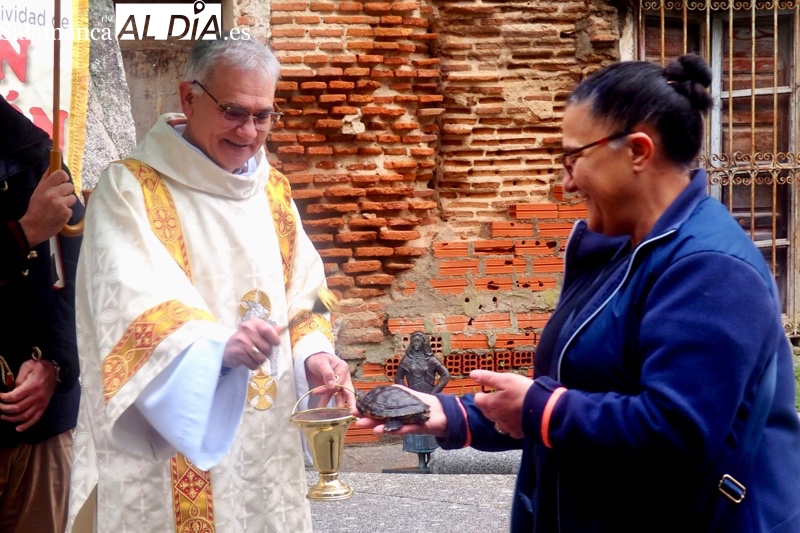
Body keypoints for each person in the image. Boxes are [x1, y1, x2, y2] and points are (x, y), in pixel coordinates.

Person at [355, 54, 800, 532]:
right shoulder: (618, 250)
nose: (564, 182)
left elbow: (677, 430)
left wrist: (538, 408)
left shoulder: (709, 268)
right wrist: (453, 414)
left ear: (638, 151)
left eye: (573, 158)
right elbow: (581, 394)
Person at [67, 37, 354, 533]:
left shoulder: (273, 192)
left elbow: (306, 291)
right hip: (170, 450)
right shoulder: (130, 189)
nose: (249, 132)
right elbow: (127, 300)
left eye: (263, 116)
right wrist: (217, 348)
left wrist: (314, 354)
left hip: (268, 444)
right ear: (188, 98)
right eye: (234, 112)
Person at [0, 96, 83, 532]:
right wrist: (24, 232)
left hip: (41, 425)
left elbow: (82, 272)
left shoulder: (32, 149)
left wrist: (56, 363)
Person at [394, 331, 449, 469]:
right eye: (414, 342)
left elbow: (445, 375)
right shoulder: (407, 359)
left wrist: (434, 393)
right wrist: (407, 394)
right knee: (417, 427)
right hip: (414, 399)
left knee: (429, 425)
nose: (416, 344)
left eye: (418, 342)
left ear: (424, 343)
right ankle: (420, 461)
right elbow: (398, 378)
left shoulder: (431, 359)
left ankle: (431, 458)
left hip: (428, 397)